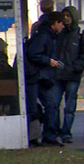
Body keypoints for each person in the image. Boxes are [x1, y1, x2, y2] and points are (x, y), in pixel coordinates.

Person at [26, 11, 65, 146]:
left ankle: (48, 137)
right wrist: (48, 61)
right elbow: (33, 54)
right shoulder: (43, 37)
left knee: (51, 105)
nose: (63, 27)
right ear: (55, 23)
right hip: (35, 77)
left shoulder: (48, 36)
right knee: (33, 108)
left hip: (42, 77)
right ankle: (31, 138)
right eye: (61, 24)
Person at [56, 6, 84, 144]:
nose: (66, 18)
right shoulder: (59, 33)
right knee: (53, 105)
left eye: (68, 16)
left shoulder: (81, 34)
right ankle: (55, 131)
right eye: (63, 15)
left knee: (69, 106)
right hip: (58, 75)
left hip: (72, 75)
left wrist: (75, 68)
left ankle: (66, 132)